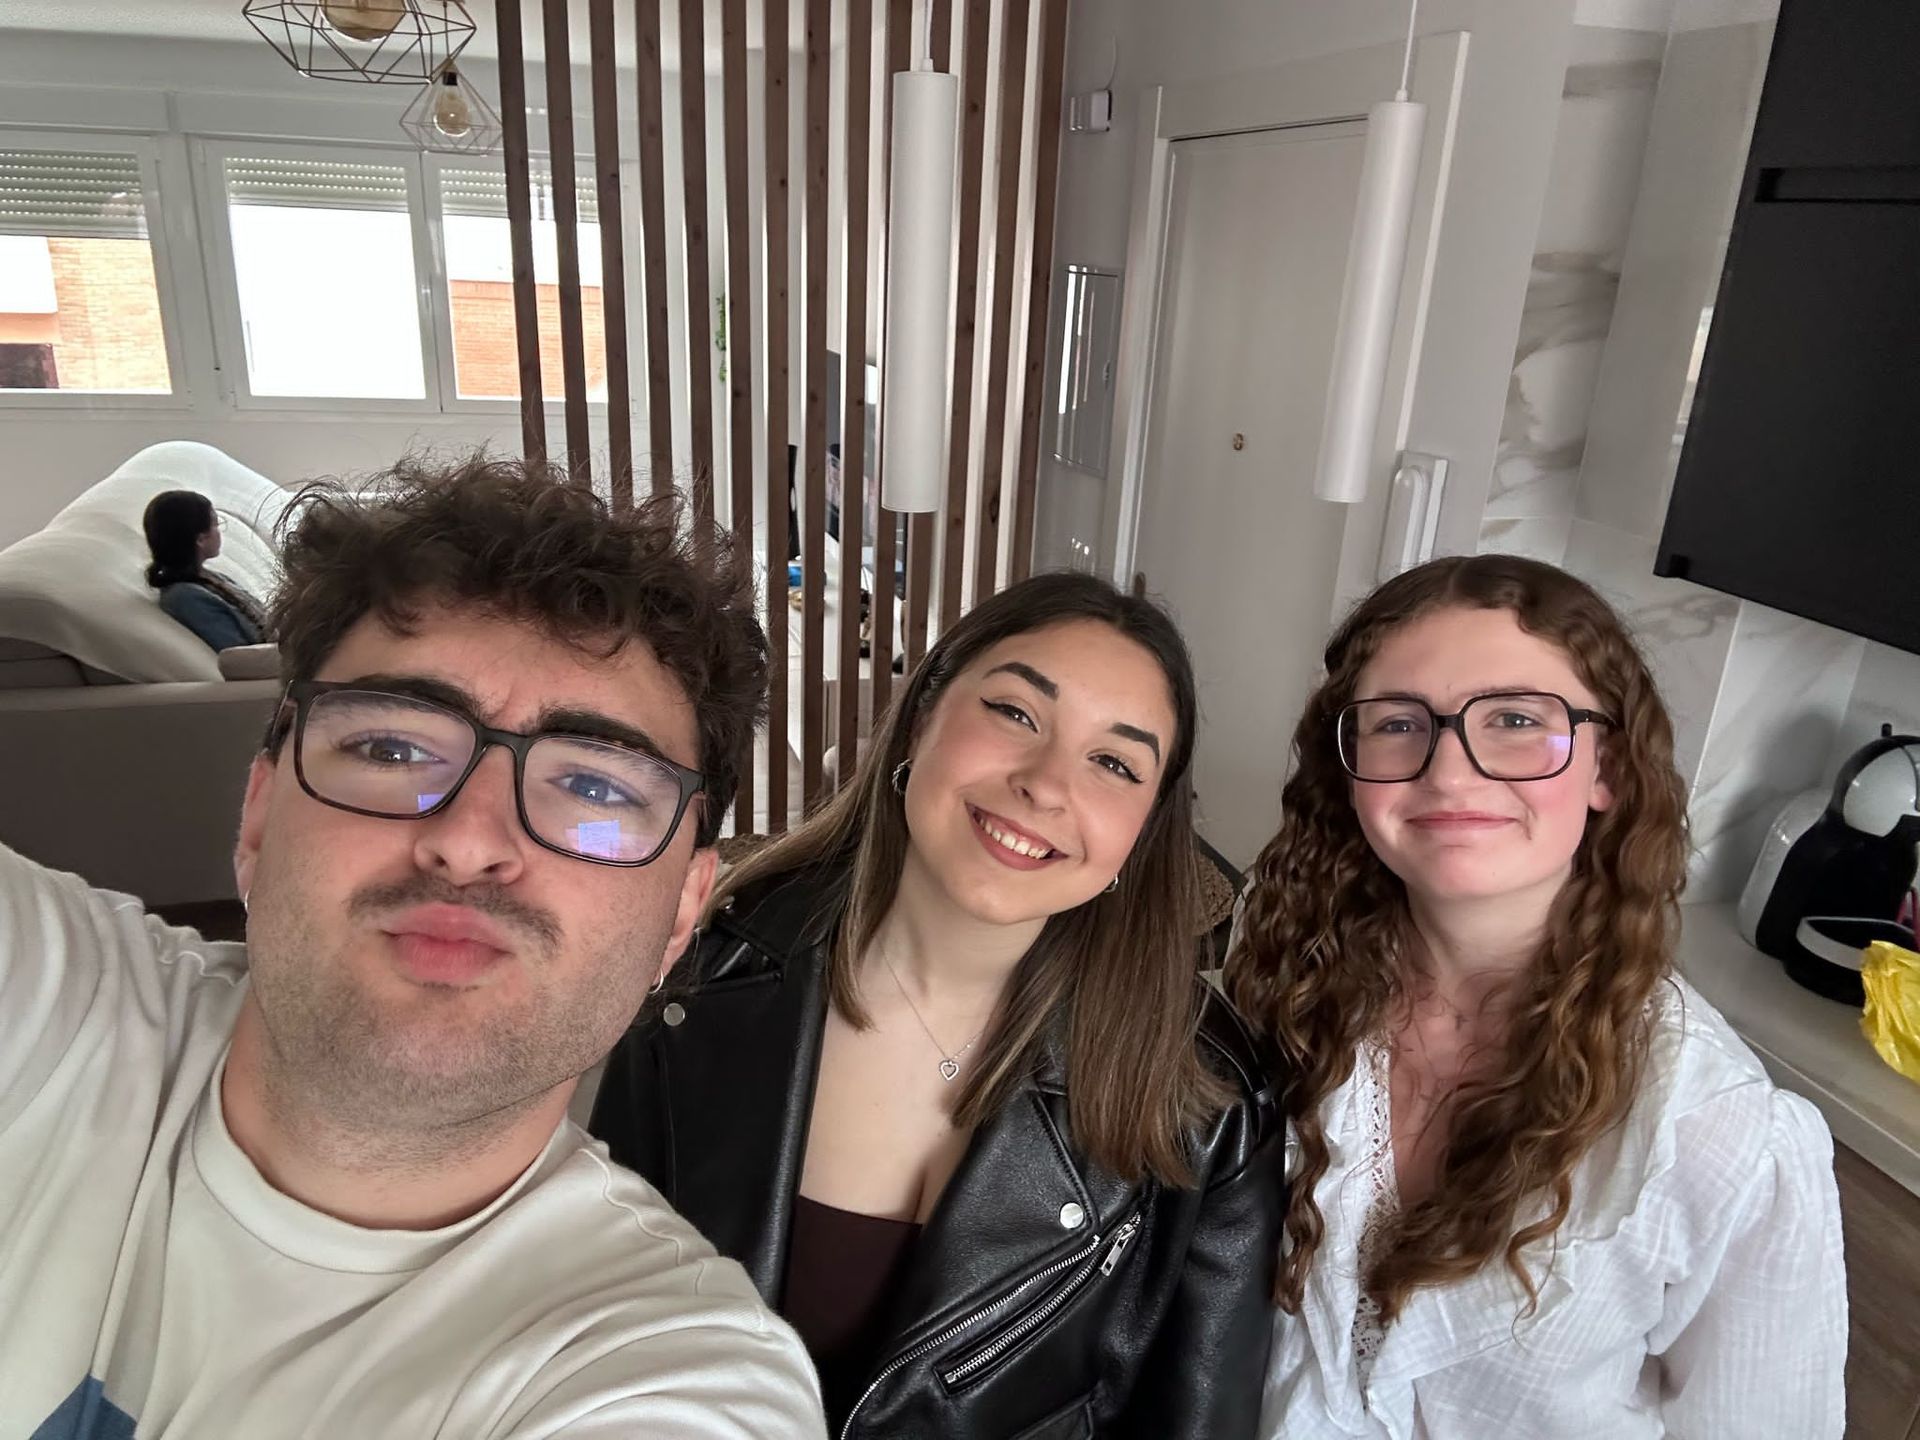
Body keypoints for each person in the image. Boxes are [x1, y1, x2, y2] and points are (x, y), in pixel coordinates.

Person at [0, 456, 827, 1438]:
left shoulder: (666, 1380)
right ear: (259, 813)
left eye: (598, 787)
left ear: (682, 915)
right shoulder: (43, 999)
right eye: (393, 748)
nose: (470, 840)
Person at [590, 570, 1287, 1439]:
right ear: (923, 716)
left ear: (1145, 828)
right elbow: (602, 1322)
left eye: (1113, 762)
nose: (1045, 783)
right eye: (1015, 714)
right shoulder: (697, 981)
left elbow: (1197, 1424)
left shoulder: (1206, 1094)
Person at [1228, 555, 1847, 1438]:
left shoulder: (1724, 1136)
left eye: (1517, 720)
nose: (1448, 772)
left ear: (1610, 772)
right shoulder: (1283, 983)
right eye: (1400, 723)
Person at [143, 488, 270, 652]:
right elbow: (241, 654)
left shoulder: (208, 577)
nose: (219, 531)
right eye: (216, 524)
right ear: (200, 539)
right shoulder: (185, 597)